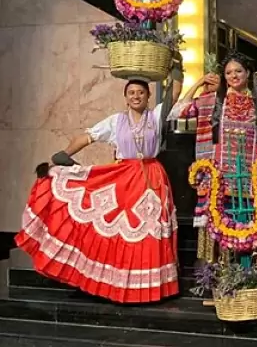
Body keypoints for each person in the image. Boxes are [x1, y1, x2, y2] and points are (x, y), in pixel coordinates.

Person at [16, 69, 184, 304]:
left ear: (148, 97)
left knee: (152, 228)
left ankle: (151, 288)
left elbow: (174, 92)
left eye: (141, 93)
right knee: (125, 231)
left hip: (152, 178)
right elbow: (87, 137)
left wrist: (176, 64)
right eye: (131, 93)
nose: (136, 96)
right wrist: (63, 155)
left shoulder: (156, 116)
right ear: (125, 97)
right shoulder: (115, 121)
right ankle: (121, 285)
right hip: (124, 177)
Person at [170, 52, 257, 236]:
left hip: (251, 177)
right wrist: (199, 82)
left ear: (248, 73)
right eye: (228, 73)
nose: (234, 76)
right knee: (218, 225)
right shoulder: (212, 102)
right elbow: (178, 111)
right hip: (220, 177)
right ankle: (218, 265)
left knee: (251, 229)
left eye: (238, 71)